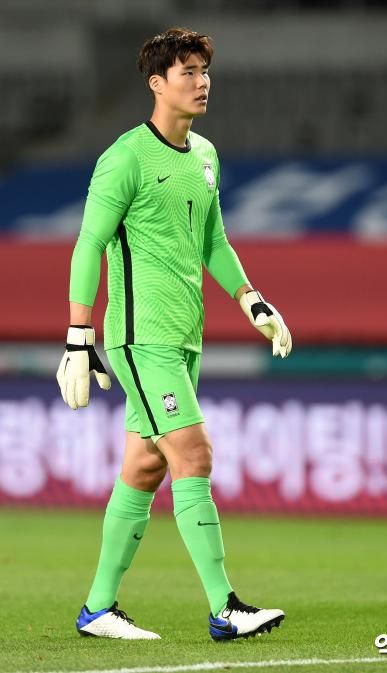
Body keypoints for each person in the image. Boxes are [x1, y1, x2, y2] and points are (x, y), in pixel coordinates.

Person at [56, 27, 292, 642]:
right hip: (140, 339)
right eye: (188, 72)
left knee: (143, 468)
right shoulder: (126, 157)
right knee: (194, 453)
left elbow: (214, 240)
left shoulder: (206, 155)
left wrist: (252, 299)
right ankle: (225, 608)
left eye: (205, 71)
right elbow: (88, 243)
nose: (202, 82)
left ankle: (98, 609)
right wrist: (79, 336)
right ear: (157, 84)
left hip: (186, 337)